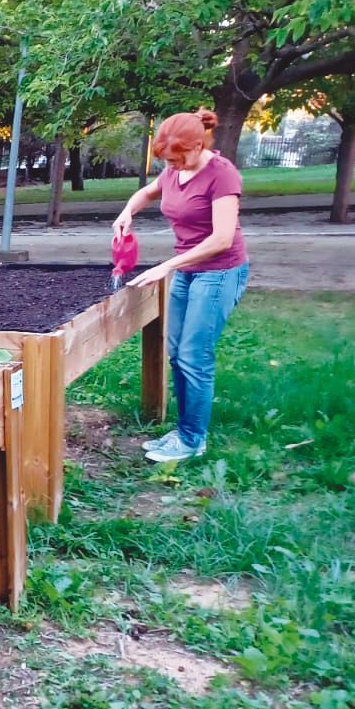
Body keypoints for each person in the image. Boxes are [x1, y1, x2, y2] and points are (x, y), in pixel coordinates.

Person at [112, 109, 249, 463]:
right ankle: (186, 430)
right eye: (168, 160)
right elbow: (147, 192)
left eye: (177, 158)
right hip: (188, 270)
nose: (172, 166)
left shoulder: (222, 175)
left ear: (198, 145)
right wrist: (127, 212)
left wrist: (165, 267)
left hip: (218, 272)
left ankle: (192, 439)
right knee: (177, 354)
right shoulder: (175, 171)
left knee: (194, 356)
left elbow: (221, 239)